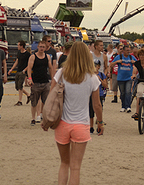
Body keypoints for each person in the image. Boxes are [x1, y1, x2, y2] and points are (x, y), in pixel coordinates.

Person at [47, 41, 104, 185]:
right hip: (81, 124)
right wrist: (100, 122)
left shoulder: (61, 73)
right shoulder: (92, 78)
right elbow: (96, 104)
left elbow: (51, 96)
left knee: (64, 163)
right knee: (76, 167)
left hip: (62, 123)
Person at [27, 40, 55, 125]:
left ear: (45, 48)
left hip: (45, 82)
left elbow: (50, 68)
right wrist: (30, 78)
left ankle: (44, 117)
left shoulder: (47, 57)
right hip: (36, 82)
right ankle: (33, 118)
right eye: (40, 47)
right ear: (37, 47)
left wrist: (53, 78)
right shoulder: (33, 56)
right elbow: (29, 68)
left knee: (45, 101)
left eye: (43, 47)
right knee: (34, 101)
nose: (42, 48)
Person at [110, 43, 136, 113]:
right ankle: (123, 106)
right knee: (122, 93)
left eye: (129, 50)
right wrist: (117, 62)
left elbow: (138, 64)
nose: (128, 52)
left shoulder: (131, 57)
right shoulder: (119, 57)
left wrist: (134, 63)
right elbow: (111, 65)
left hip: (129, 78)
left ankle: (128, 106)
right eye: (127, 50)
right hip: (120, 78)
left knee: (128, 92)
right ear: (123, 51)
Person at [8, 40, 31, 106]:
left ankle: (20, 101)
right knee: (17, 86)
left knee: (20, 85)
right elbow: (17, 61)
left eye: (18, 45)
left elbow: (29, 64)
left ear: (22, 46)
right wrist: (11, 69)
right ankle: (28, 94)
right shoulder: (19, 53)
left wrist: (25, 70)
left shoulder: (27, 54)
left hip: (23, 72)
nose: (17, 46)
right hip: (18, 70)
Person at [89, 59, 107, 134]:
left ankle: (99, 124)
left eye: (96, 65)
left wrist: (100, 79)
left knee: (99, 109)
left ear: (99, 67)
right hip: (90, 94)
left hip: (100, 94)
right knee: (90, 111)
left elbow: (106, 85)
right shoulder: (89, 75)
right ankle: (91, 126)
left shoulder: (102, 75)